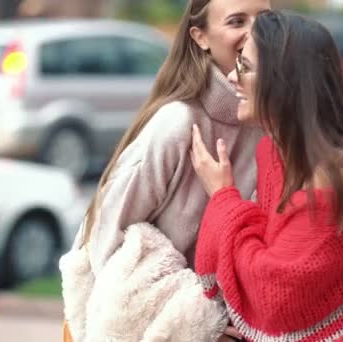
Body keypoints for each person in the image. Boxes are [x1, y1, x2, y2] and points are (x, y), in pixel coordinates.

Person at [191, 10, 343, 342]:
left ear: (283, 78)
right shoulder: (275, 153)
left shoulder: (337, 172)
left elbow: (278, 298)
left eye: (245, 65)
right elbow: (272, 247)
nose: (232, 76)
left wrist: (224, 199)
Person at [60, 0, 271, 341]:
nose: (254, 33)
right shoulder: (177, 123)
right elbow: (103, 242)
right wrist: (198, 324)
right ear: (200, 37)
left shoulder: (270, 123)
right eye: (236, 21)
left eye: (265, 19)